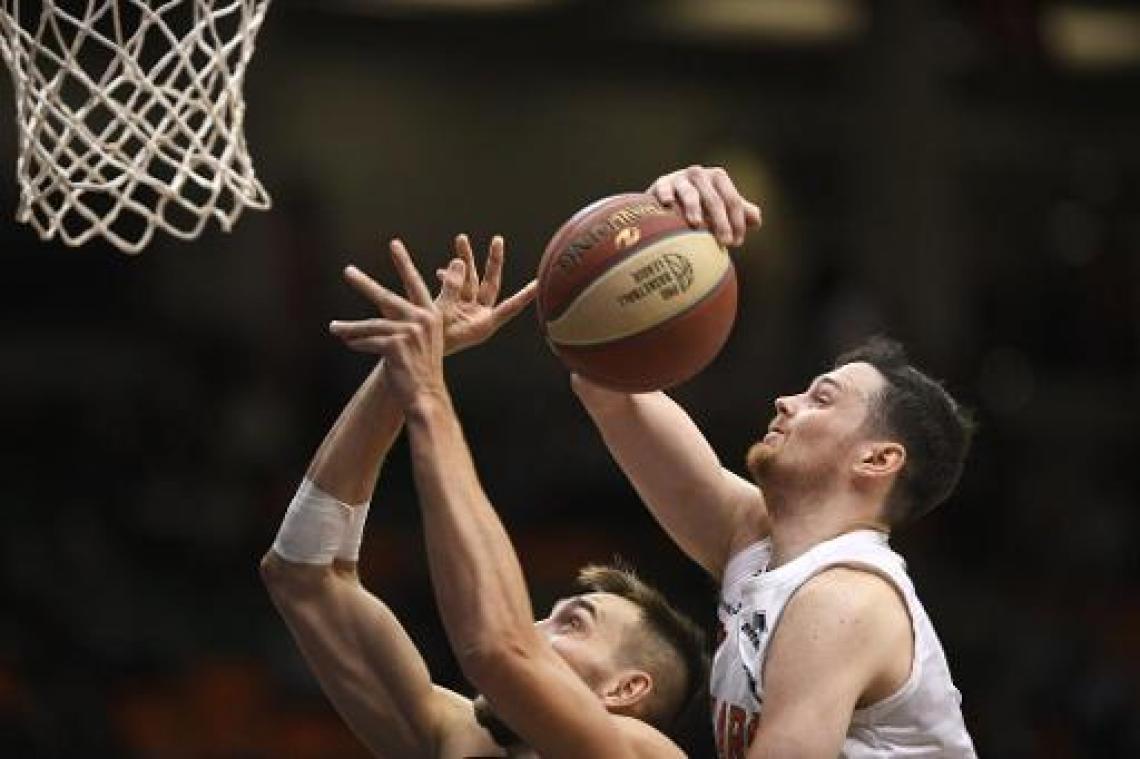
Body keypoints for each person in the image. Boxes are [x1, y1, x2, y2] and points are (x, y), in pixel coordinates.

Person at [572, 165, 978, 757]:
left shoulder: (844, 601)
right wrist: (655, 222)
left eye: (822, 398)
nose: (785, 401)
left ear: (878, 458)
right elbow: (604, 383)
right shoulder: (756, 541)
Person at [260, 235, 708, 758]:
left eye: (572, 623)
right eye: (551, 614)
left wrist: (427, 392)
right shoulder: (461, 741)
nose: (534, 626)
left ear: (624, 689)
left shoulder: (645, 753)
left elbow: (499, 645)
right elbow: (302, 574)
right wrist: (404, 364)